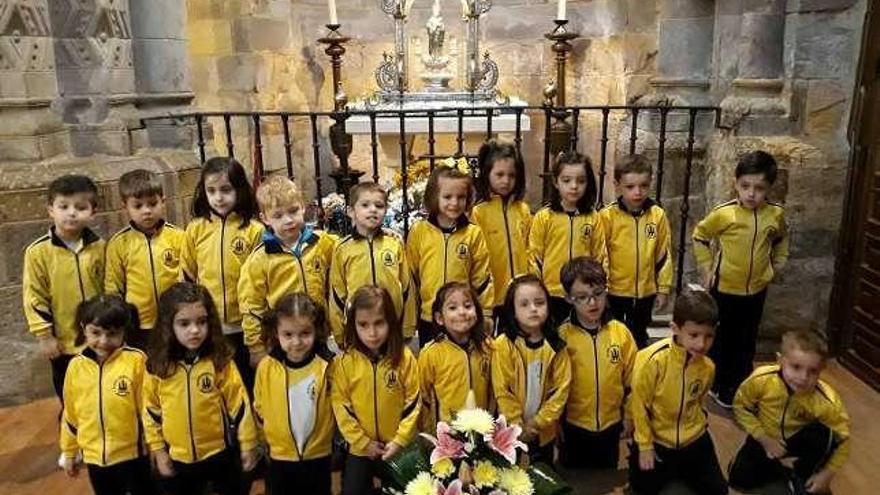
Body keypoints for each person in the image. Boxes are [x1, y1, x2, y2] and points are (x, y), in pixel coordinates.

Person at [693, 150, 790, 408]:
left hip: (756, 290)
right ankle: (719, 384)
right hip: (724, 288)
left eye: (759, 188)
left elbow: (781, 241)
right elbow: (700, 237)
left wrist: (777, 265)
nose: (751, 194)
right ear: (735, 183)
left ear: (769, 188)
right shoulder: (724, 214)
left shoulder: (775, 215)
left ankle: (741, 383)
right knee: (723, 337)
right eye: (745, 186)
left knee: (747, 338)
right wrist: (706, 268)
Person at [143, 282, 259, 495]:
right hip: (177, 457)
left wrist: (248, 442)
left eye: (201, 322)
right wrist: (159, 451)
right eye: (184, 323)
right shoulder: (158, 366)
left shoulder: (220, 361)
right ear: (168, 325)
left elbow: (240, 406)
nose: (194, 330)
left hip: (219, 454)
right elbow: (151, 412)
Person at [628, 289, 727, 495]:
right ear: (675, 329)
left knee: (718, 490)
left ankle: (683, 467)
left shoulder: (708, 367)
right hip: (658, 439)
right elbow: (639, 405)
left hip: (693, 438)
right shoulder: (651, 360)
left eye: (709, 336)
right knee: (641, 488)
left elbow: (699, 402)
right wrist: (645, 445)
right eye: (693, 335)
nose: (701, 344)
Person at [729, 330, 850, 495]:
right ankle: (776, 466)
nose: (803, 377)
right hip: (765, 435)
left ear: (822, 370)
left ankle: (803, 472)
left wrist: (827, 474)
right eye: (796, 367)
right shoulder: (761, 380)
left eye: (812, 371)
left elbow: (843, 439)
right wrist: (764, 439)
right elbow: (740, 406)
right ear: (780, 360)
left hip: (800, 441)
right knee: (738, 480)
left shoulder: (827, 401)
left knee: (823, 435)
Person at [180, 156, 263, 390]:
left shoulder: (253, 230)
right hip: (211, 324)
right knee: (218, 382)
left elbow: (259, 280)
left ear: (239, 189)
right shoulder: (196, 229)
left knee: (247, 383)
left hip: (245, 325)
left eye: (226, 189)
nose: (218, 197)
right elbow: (187, 275)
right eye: (212, 190)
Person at [59, 294, 155, 495]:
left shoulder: (136, 362)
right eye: (95, 333)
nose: (103, 341)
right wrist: (69, 452)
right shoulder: (75, 368)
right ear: (84, 328)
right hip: (95, 460)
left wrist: (156, 448)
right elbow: (71, 416)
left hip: (133, 457)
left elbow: (149, 411)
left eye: (112, 334)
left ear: (123, 332)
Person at [330, 286, 420, 495]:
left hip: (399, 446)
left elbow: (413, 402)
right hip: (361, 448)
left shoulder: (404, 359)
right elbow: (341, 406)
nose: (372, 333)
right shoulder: (345, 363)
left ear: (390, 321)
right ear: (353, 325)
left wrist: (400, 440)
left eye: (379, 323)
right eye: (363, 325)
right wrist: (362, 442)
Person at [238, 175, 336, 366]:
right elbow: (251, 305)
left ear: (303, 207)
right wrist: (256, 347)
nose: (288, 220)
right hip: (285, 338)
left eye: (293, 211)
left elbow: (347, 251)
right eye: (278, 215)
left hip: (318, 332)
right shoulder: (260, 259)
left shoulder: (320, 242)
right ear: (264, 219)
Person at [23, 174, 105, 400]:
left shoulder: (100, 248)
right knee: (71, 398)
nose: (71, 213)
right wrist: (45, 336)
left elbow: (108, 290)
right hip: (62, 342)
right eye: (63, 206)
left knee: (100, 394)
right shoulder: (38, 252)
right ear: (51, 209)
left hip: (99, 338)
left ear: (93, 211)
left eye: (80, 207)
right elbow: (34, 297)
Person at [557, 257, 636, 468]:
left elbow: (633, 382)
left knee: (605, 472)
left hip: (611, 426)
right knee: (574, 475)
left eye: (598, 294)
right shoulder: (562, 337)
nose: (592, 303)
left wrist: (629, 415)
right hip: (573, 426)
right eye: (582, 297)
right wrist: (555, 422)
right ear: (568, 299)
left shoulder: (621, 333)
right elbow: (553, 388)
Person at [253, 293, 335, 495]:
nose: (296, 342)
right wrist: (268, 440)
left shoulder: (328, 365)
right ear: (276, 333)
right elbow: (259, 407)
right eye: (288, 335)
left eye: (305, 333)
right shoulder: (266, 367)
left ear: (316, 330)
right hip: (280, 456)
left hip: (319, 454)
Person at [406, 158, 493, 346]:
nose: (454, 203)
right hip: (429, 317)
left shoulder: (473, 234)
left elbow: (482, 278)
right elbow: (410, 278)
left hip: (462, 316)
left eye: (461, 197)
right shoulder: (419, 232)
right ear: (434, 196)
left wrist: (485, 312)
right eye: (447, 197)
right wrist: (410, 318)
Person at [492, 274, 571, 465]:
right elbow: (502, 390)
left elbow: (561, 390)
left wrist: (537, 423)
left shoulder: (556, 345)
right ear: (513, 310)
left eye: (539, 302)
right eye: (524, 304)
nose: (533, 309)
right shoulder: (503, 344)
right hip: (510, 431)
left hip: (543, 431)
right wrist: (518, 426)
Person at [105, 169, 185, 350]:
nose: (147, 211)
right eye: (138, 206)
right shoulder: (119, 244)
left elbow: (188, 277)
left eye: (152, 203)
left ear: (163, 202)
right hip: (138, 325)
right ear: (125, 207)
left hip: (175, 320)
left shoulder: (179, 237)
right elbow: (113, 287)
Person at [329, 182, 416, 346]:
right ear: (351, 211)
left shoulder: (394, 244)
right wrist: (340, 333)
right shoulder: (342, 248)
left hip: (391, 324)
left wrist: (408, 327)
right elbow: (336, 293)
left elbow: (406, 288)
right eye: (365, 205)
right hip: (359, 327)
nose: (373, 210)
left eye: (379, 205)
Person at [600, 154, 673, 348]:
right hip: (615, 292)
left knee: (639, 335)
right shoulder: (607, 216)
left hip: (645, 292)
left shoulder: (657, 215)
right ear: (618, 186)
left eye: (643, 186)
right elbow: (601, 255)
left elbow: (664, 254)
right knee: (614, 336)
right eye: (630, 187)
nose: (638, 192)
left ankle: (638, 374)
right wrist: (602, 289)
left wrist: (663, 288)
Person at [529, 151, 607, 325]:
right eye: (567, 180)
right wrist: (537, 290)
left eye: (581, 181)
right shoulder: (544, 217)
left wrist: (598, 289)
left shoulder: (593, 217)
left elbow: (600, 256)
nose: (574, 186)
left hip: (584, 294)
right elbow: (534, 257)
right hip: (553, 293)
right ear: (556, 182)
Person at [419, 282, 493, 432]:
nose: (462, 312)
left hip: (483, 431)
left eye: (467, 306)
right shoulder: (430, 353)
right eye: (452, 308)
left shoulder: (489, 347)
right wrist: (429, 433)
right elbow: (423, 397)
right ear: (440, 318)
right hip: (449, 435)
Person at [472, 139, 532, 317]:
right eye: (499, 175)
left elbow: (530, 248)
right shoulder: (479, 213)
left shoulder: (523, 210)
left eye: (511, 175)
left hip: (521, 294)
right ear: (487, 174)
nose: (506, 181)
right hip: (493, 296)